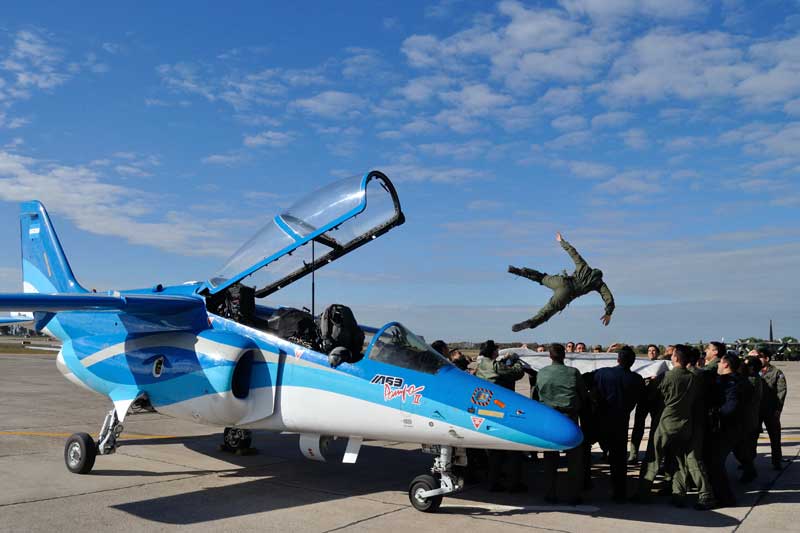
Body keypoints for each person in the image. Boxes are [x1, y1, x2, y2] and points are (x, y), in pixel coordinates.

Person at [508, 232, 615, 331]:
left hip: (561, 282)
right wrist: (608, 313)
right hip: (566, 294)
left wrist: (561, 241)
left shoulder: (584, 267)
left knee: (541, 277)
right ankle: (531, 322)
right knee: (549, 310)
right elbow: (609, 298)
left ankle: (519, 271)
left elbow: (573, 252)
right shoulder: (600, 284)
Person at [636, 345, 699, 507]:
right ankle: (679, 494)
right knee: (679, 460)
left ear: (676, 358)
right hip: (685, 423)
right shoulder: (693, 378)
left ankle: (643, 492)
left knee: (653, 459)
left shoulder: (666, 376)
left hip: (665, 423)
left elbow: (651, 396)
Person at [533, 343, 587, 504]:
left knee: (550, 458)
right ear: (564, 355)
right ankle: (573, 495)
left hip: (549, 418)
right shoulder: (573, 372)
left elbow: (535, 396)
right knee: (574, 459)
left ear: (550, 356)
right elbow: (583, 395)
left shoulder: (542, 373)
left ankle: (550, 493)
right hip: (569, 417)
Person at [593, 346, 644, 502]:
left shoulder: (603, 373)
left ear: (618, 359)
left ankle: (584, 482)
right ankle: (619, 491)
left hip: (601, 419)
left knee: (585, 450)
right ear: (633, 362)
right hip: (621, 420)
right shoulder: (637, 379)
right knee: (619, 458)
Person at [475, 340, 526, 492]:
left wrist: (504, 360)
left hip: (487, 408)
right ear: (492, 352)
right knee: (514, 447)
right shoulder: (495, 366)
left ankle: (493, 481)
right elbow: (517, 373)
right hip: (502, 408)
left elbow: (496, 367)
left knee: (494, 450)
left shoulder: (481, 365)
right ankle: (514, 483)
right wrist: (516, 361)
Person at [705, 353, 744, 507]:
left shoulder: (731, 382)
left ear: (726, 364)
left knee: (715, 464)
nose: (718, 365)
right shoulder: (736, 380)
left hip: (725, 429)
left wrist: (716, 413)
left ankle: (725, 498)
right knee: (714, 463)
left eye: (720, 362)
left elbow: (731, 406)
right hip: (730, 428)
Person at [685, 346, 717, 510]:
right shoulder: (703, 374)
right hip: (699, 420)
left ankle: (706, 495)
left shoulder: (693, 376)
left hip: (694, 421)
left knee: (693, 458)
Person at [757, 348, 787, 470]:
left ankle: (776, 461)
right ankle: (747, 462)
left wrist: (778, 409)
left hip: (771, 410)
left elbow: (781, 391)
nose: (757, 359)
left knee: (775, 437)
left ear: (767, 359)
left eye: (760, 357)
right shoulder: (753, 371)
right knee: (750, 438)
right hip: (756, 410)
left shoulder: (776, 372)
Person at [734, 355, 763, 482]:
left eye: (745, 365)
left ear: (751, 367)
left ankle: (749, 472)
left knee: (743, 449)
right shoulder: (754, 378)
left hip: (747, 420)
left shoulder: (751, 380)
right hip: (750, 419)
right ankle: (749, 469)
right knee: (743, 448)